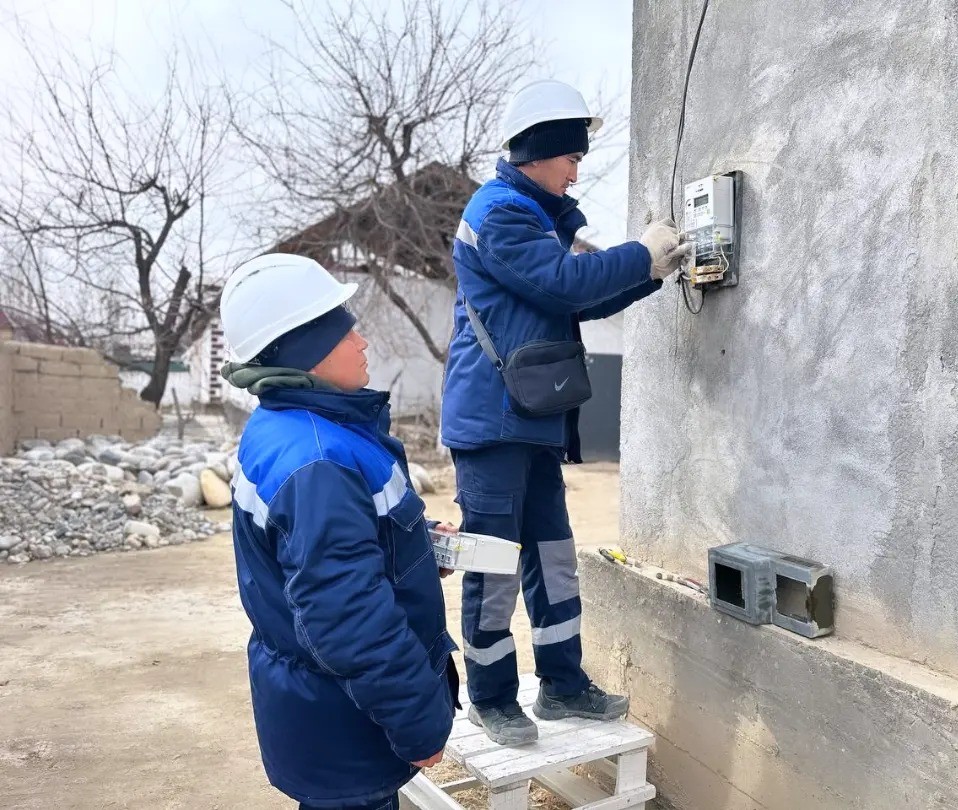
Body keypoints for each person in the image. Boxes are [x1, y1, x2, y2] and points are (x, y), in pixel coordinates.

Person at [441, 79, 690, 745]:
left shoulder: (536, 216)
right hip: (492, 420)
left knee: (552, 554)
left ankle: (561, 683)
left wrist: (653, 272)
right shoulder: (500, 213)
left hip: (532, 415)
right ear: (537, 152)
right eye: (570, 157)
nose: (578, 168)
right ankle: (491, 698)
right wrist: (643, 254)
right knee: (494, 560)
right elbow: (564, 284)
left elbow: (583, 300)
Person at [218, 253, 460, 810]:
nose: (362, 341)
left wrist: (415, 542)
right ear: (307, 350)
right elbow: (347, 616)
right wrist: (419, 722)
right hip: (345, 718)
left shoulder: (287, 427)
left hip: (319, 709)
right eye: (344, 329)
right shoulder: (319, 459)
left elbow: (330, 551)